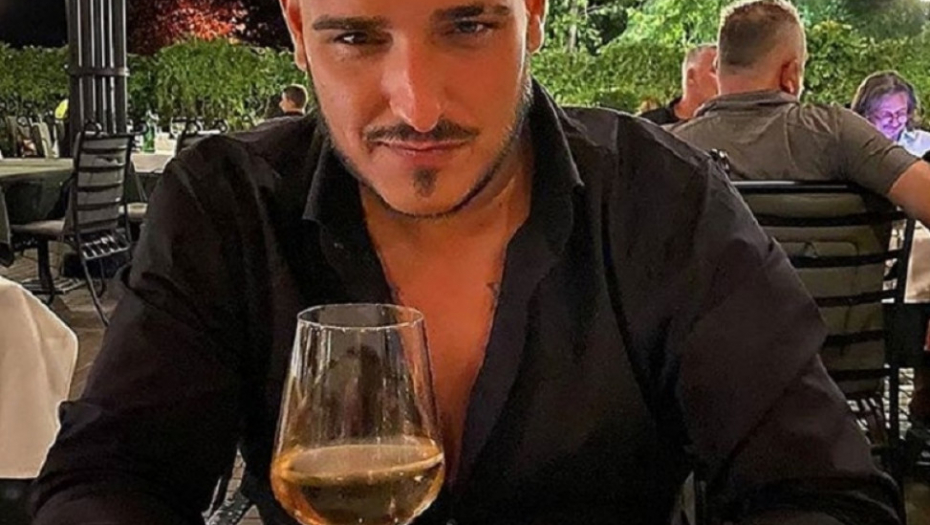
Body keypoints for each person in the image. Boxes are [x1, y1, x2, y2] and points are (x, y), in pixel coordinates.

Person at [32, 0, 903, 524]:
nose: (417, 106)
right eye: (356, 38)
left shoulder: (662, 201)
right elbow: (112, 477)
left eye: (469, 25)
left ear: (535, 14)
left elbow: (823, 492)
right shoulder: (227, 205)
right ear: (297, 27)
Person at [671, 1, 930, 229]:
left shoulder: (667, 147)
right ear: (791, 75)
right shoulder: (837, 131)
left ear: (718, 68)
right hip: (833, 272)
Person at [852, 71, 930, 435]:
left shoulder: (921, 146)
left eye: (901, 114)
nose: (895, 123)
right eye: (885, 116)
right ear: (866, 115)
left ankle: (922, 406)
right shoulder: (854, 149)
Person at [639, 44, 718, 125]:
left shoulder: (723, 124)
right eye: (715, 71)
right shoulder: (648, 125)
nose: (722, 78)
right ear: (691, 76)